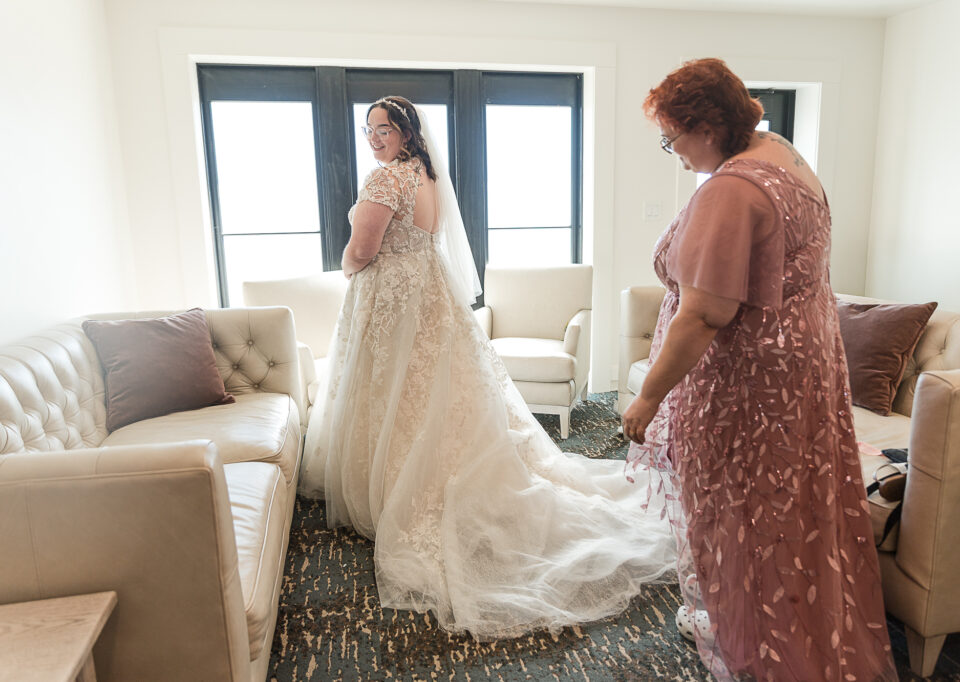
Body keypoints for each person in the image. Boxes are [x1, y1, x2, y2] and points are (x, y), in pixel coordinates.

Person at [298, 95, 675, 641]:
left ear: (406, 131)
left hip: (392, 300)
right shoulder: (425, 177)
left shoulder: (384, 181)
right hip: (428, 296)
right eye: (368, 129)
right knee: (434, 390)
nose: (374, 137)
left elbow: (363, 249)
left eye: (384, 128)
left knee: (393, 388)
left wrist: (345, 263)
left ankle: (397, 484)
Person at [622, 60, 898, 681]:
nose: (673, 151)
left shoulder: (731, 189)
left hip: (746, 385)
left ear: (706, 125)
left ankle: (755, 639)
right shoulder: (784, 154)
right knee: (785, 509)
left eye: (673, 137)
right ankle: (785, 624)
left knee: (735, 511)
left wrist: (647, 399)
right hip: (798, 372)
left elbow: (703, 315)